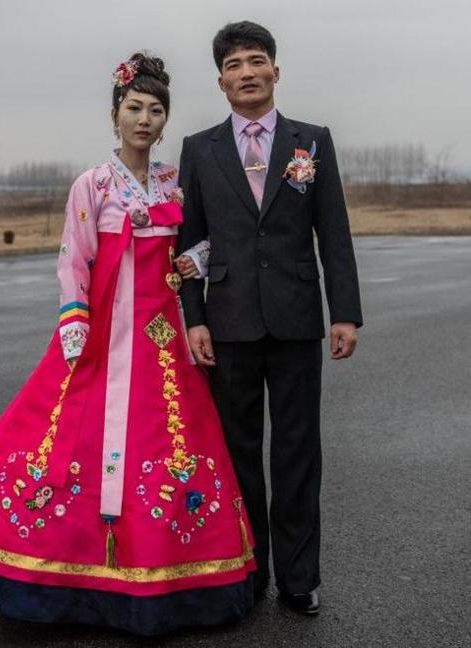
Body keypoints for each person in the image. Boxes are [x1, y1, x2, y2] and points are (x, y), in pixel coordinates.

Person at [0, 52, 257, 636]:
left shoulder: (172, 183)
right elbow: (73, 257)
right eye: (134, 108)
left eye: (156, 111)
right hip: (102, 329)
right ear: (115, 116)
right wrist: (74, 318)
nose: (145, 119)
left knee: (166, 439)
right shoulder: (93, 184)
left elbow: (205, 242)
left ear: (165, 122)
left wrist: (195, 259)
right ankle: (56, 570)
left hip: (161, 339)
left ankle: (168, 572)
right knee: (61, 431)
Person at [175, 21, 363, 616]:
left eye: (257, 61)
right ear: (220, 81)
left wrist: (346, 314)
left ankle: (300, 577)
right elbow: (189, 242)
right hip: (226, 325)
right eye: (234, 65)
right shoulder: (198, 149)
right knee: (236, 451)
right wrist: (194, 318)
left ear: (276, 71)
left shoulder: (313, 141)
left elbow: (333, 232)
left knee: (298, 450)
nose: (247, 73)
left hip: (298, 320)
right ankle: (247, 571)